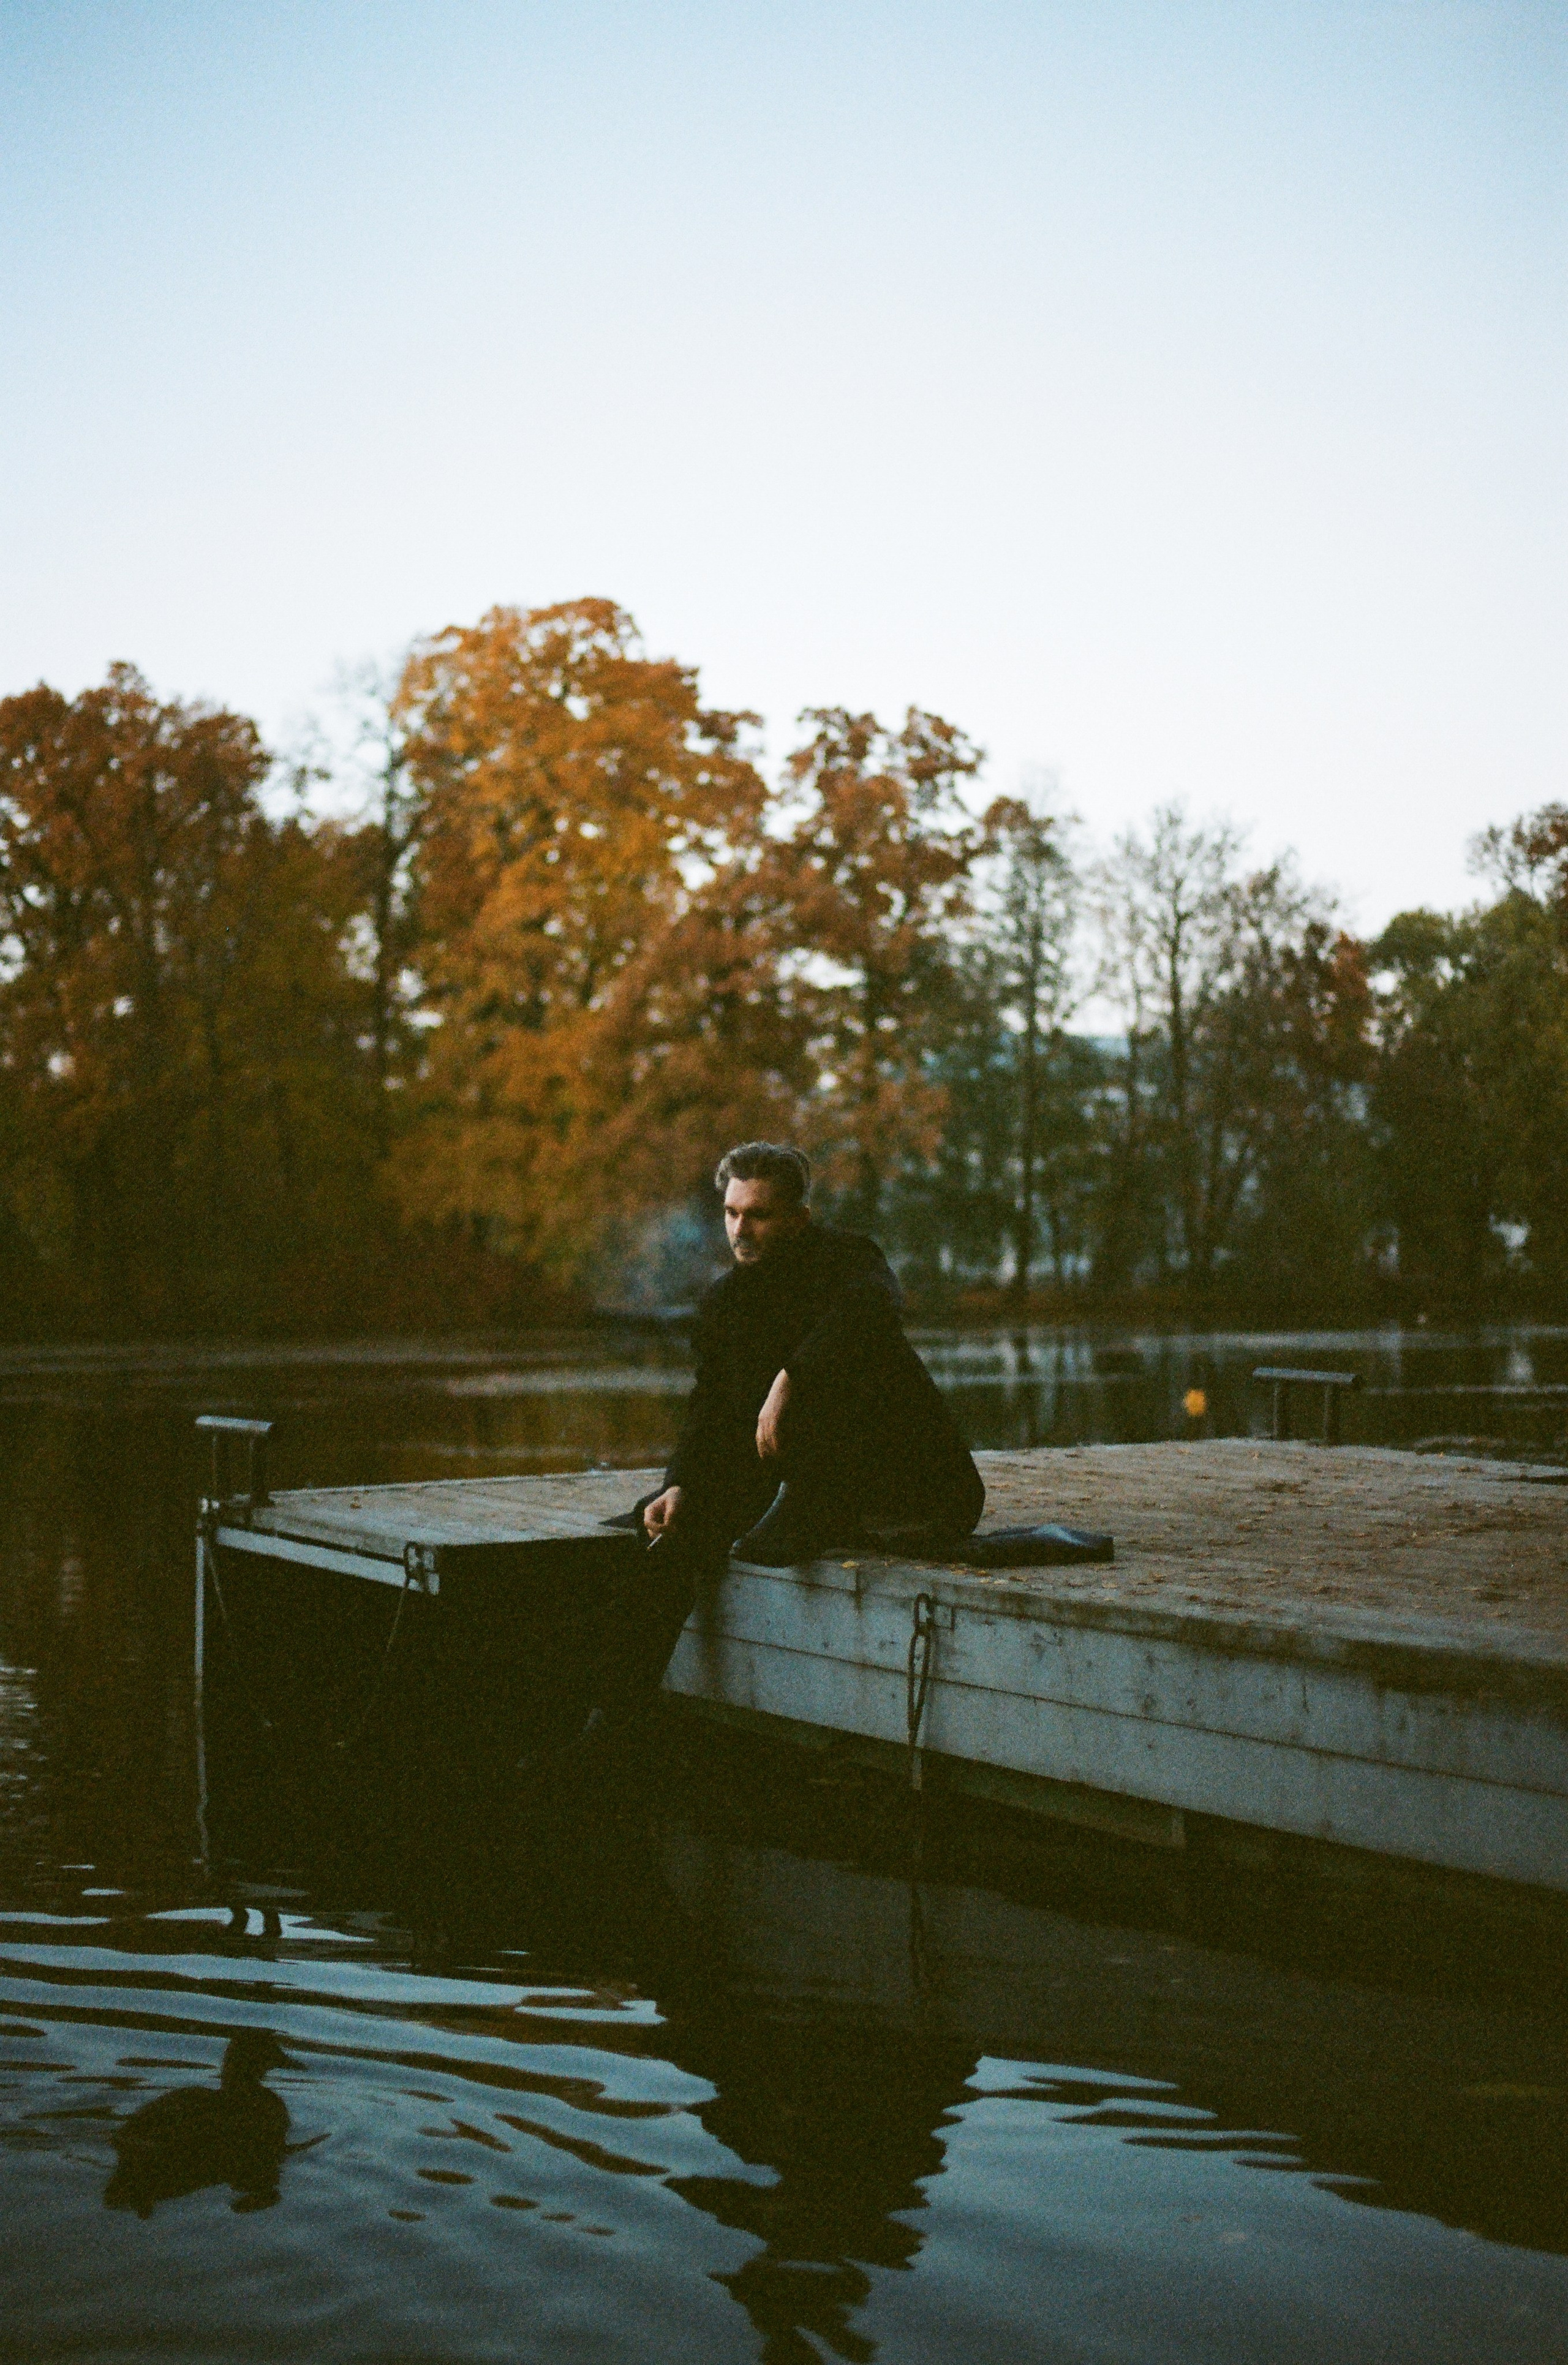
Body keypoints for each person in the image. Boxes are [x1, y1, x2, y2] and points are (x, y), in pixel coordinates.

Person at [587, 1142, 984, 1729]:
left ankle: (804, 1505)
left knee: (857, 1348)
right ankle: (608, 1723)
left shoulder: (850, 1259)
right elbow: (710, 1409)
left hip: (909, 1484)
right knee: (674, 1532)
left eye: (758, 1214)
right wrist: (679, 1484)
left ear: (800, 1217)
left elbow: (872, 1309)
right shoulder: (724, 1301)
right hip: (793, 1477)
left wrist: (791, 1378)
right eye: (731, 1212)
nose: (740, 1228)